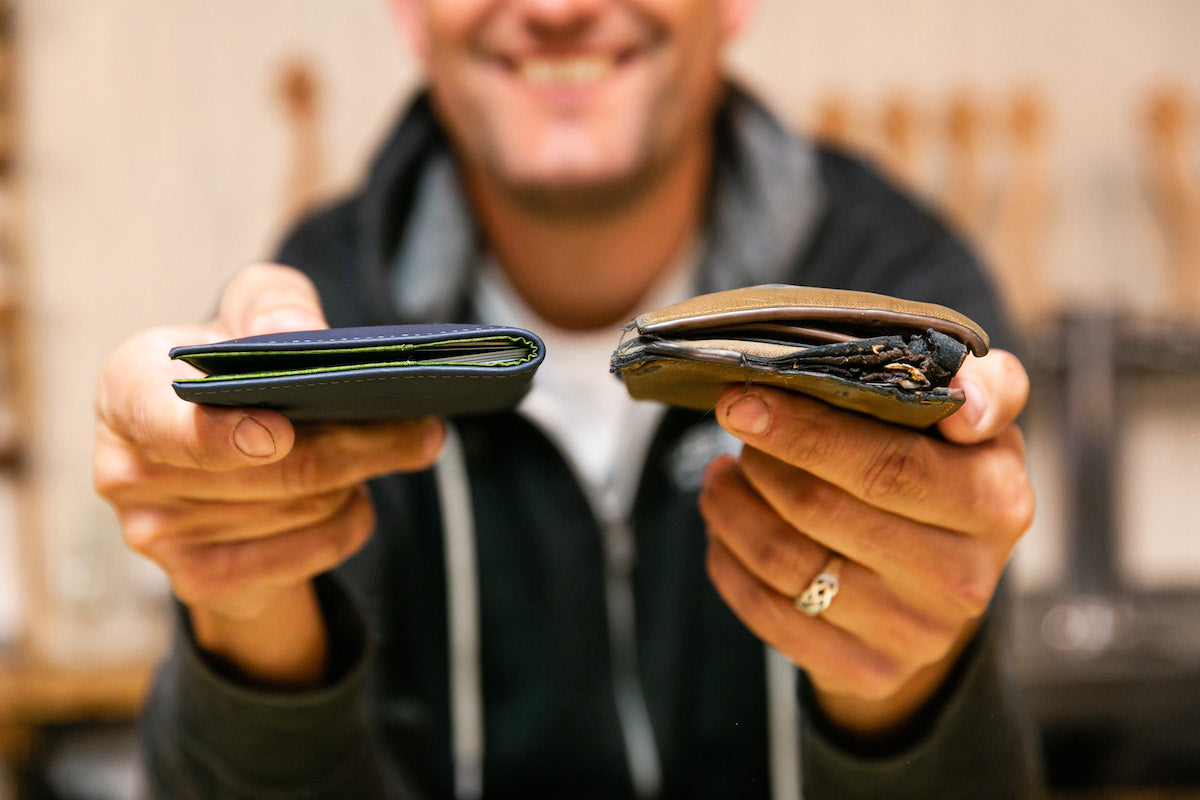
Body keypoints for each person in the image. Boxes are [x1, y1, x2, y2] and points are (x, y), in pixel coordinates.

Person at [93, 1, 1042, 797]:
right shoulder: (312, 317)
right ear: (410, 13)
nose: (555, 11)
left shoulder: (904, 299)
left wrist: (901, 684)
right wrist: (243, 607)